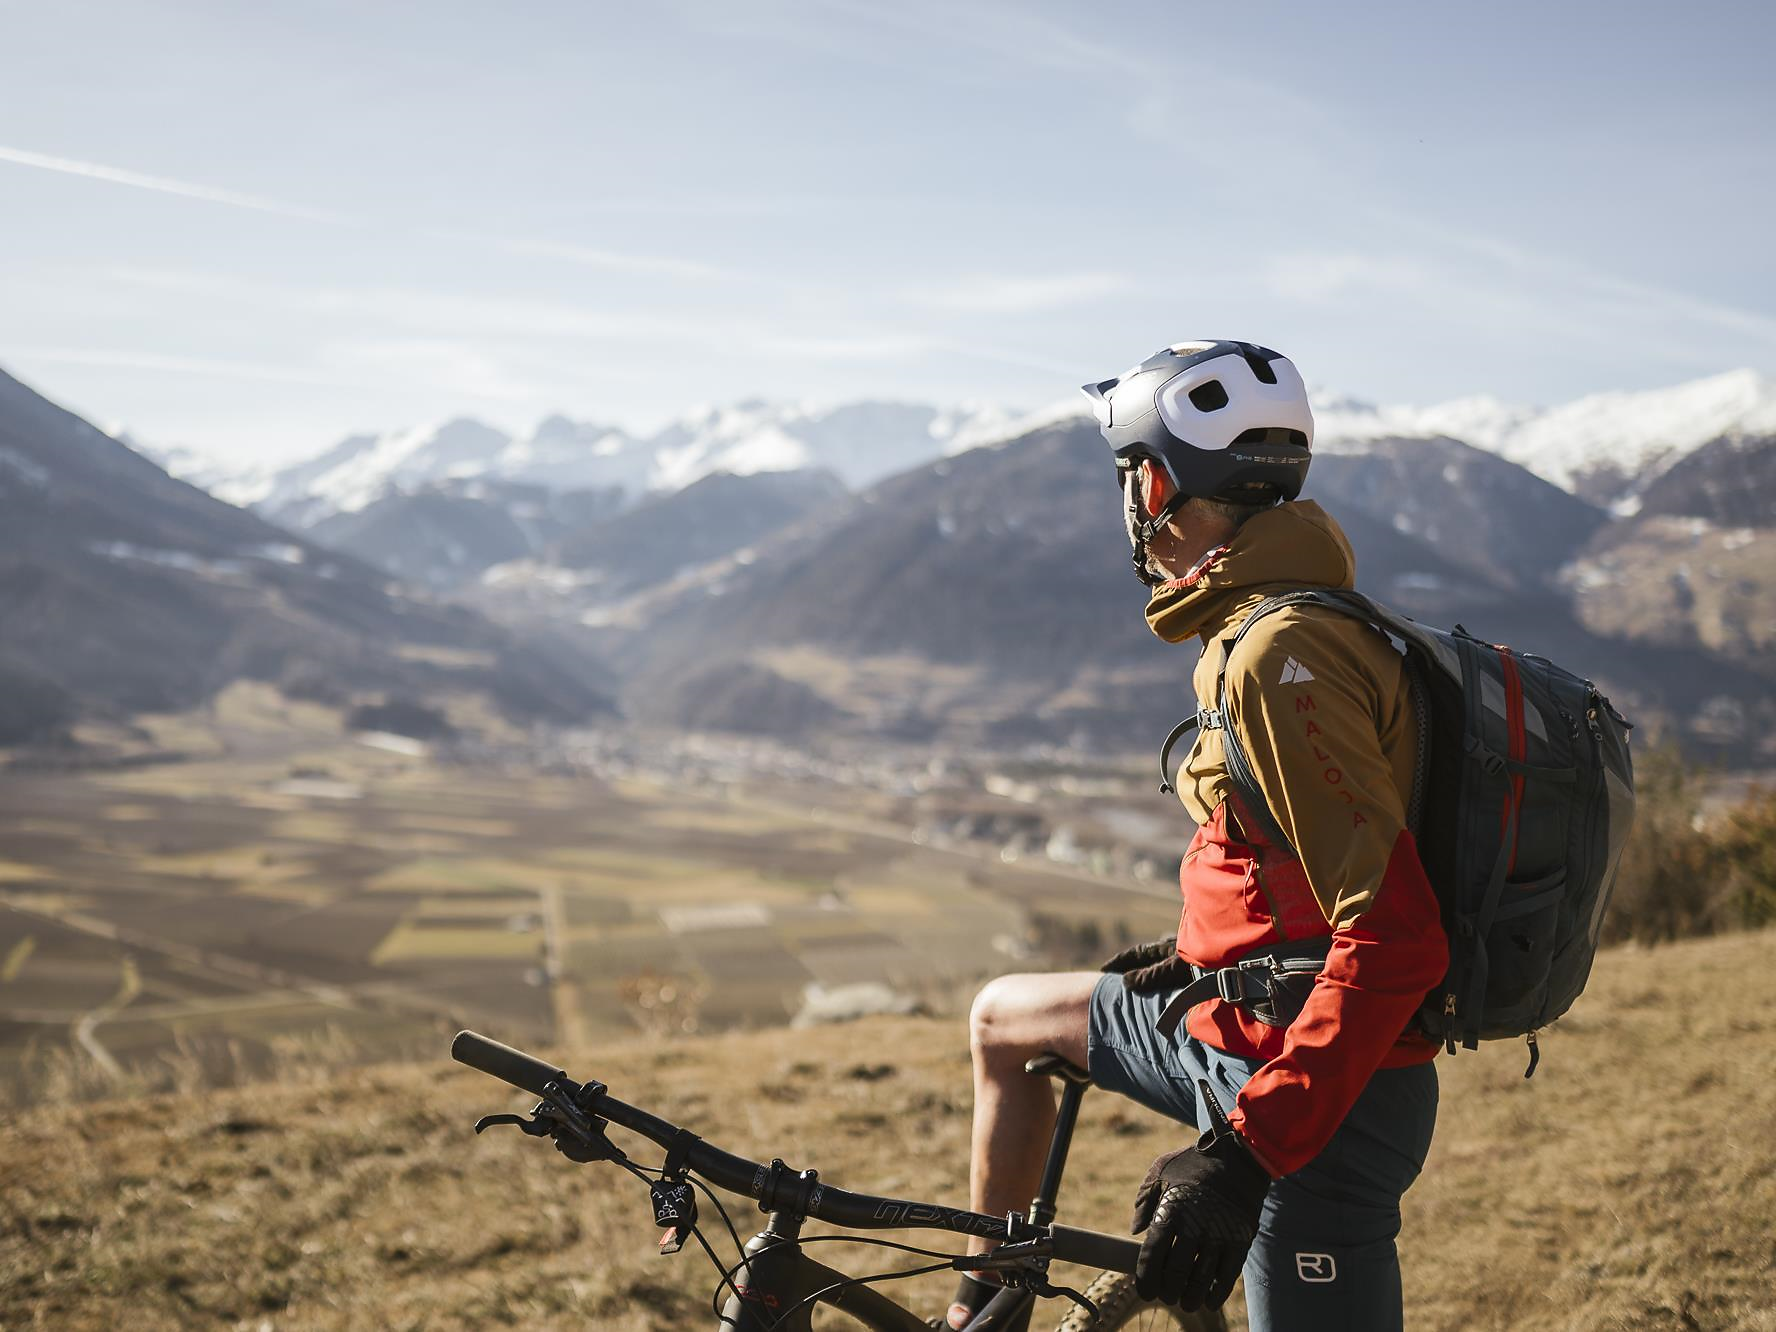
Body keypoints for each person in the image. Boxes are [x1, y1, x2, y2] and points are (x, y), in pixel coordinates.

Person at [940, 342, 1450, 1332]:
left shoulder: (1283, 652)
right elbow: (1299, 856)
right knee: (1004, 1019)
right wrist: (1199, 952)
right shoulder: (1274, 621)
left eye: (1132, 472)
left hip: (1317, 1101)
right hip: (1228, 1024)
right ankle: (986, 1307)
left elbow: (1399, 940)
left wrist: (1244, 1154)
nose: (1128, 497)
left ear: (1161, 482)